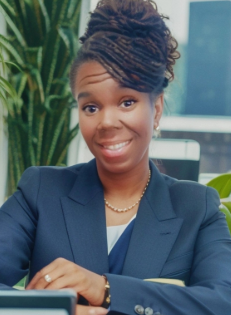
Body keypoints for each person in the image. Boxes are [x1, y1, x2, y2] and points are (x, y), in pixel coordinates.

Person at [0, 0, 231, 314]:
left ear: (157, 108)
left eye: (126, 102)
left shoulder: (197, 207)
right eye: (91, 107)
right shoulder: (41, 191)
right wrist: (50, 310)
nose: (107, 122)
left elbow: (221, 304)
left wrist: (105, 289)